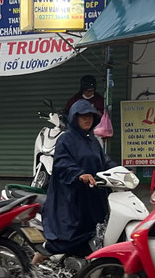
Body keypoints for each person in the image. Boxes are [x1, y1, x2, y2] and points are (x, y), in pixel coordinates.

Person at [37, 98, 115, 264]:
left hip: (91, 194)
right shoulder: (66, 140)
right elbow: (62, 163)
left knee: (94, 231)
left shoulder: (93, 141)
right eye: (82, 116)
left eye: (90, 116)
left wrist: (119, 170)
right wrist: (79, 174)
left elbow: (104, 160)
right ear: (74, 118)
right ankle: (41, 255)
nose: (87, 119)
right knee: (69, 234)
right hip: (71, 196)